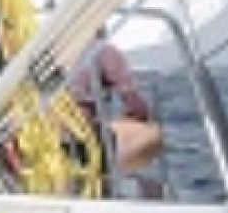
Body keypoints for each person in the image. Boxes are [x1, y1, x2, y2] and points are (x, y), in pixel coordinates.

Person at [68, 36, 164, 177]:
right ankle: (151, 196)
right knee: (151, 138)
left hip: (47, 145)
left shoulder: (53, 51)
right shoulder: (103, 51)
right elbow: (137, 108)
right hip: (82, 144)